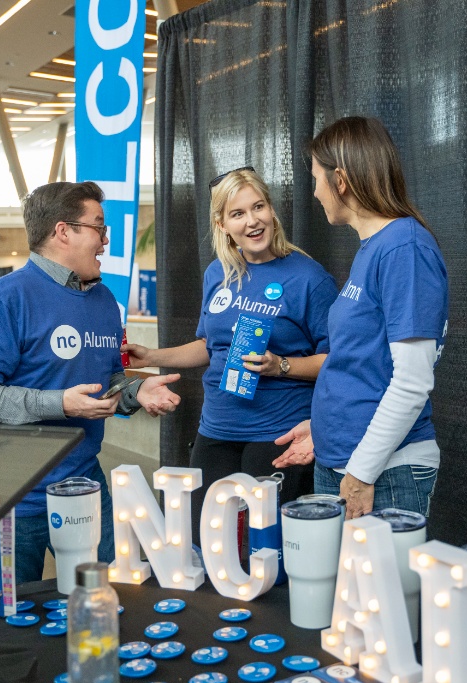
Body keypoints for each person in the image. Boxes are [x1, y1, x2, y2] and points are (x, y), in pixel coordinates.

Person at [0, 181, 181, 584]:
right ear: (63, 231)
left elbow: (105, 380)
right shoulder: (5, 299)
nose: (106, 241)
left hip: (82, 483)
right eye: (98, 228)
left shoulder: (105, 301)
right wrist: (60, 404)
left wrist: (134, 391)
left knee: (111, 602)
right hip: (2, 495)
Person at [123, 167, 337, 544]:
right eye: (238, 213)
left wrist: (280, 365)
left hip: (277, 433)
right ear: (222, 224)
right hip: (216, 429)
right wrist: (149, 355)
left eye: (259, 207)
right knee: (209, 544)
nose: (252, 221)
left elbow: (335, 363)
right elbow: (209, 346)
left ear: (272, 211)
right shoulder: (218, 273)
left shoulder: (308, 277)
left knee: (265, 553)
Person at [275, 116, 449, 520]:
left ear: (341, 181)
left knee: (376, 587)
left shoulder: (404, 248)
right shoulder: (373, 247)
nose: (315, 192)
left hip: (383, 472)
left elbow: (412, 381)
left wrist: (360, 472)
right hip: (345, 461)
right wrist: (324, 428)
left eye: (317, 179)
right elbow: (360, 363)